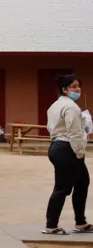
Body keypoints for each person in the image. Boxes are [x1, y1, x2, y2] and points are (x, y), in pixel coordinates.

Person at [42, 74, 92, 235]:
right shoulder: (71, 107)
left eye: (78, 86)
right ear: (64, 89)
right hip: (67, 148)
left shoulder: (55, 105)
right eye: (73, 87)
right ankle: (51, 225)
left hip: (57, 146)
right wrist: (79, 152)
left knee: (82, 181)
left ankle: (81, 222)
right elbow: (75, 132)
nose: (77, 89)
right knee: (62, 188)